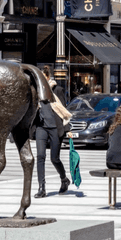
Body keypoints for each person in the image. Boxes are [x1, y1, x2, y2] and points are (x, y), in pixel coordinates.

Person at [32, 67, 72, 198]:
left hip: (55, 128)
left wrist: (68, 129)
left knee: (54, 158)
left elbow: (62, 110)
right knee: (40, 157)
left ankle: (64, 179)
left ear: (48, 77)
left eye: (43, 77)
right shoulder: (36, 92)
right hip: (41, 127)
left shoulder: (56, 90)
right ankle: (41, 188)